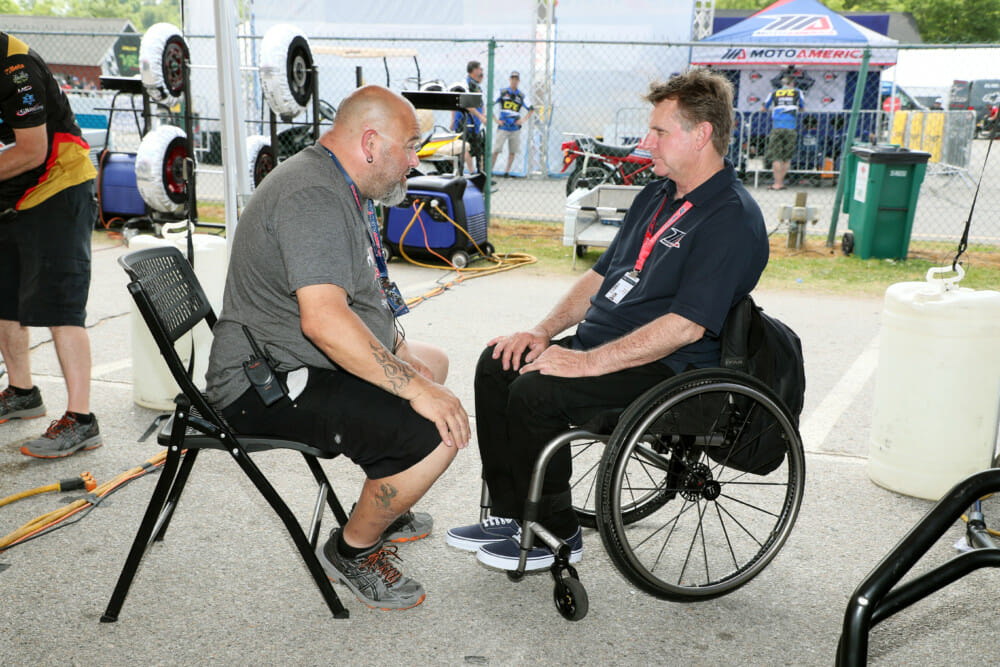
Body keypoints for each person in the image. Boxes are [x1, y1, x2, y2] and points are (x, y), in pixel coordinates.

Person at [446, 69, 769, 571]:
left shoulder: (731, 218)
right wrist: (542, 333)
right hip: (605, 349)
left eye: (660, 132)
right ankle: (514, 516)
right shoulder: (657, 195)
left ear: (701, 135)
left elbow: (685, 327)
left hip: (669, 368)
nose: (647, 143)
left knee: (537, 390)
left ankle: (556, 533)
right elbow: (600, 278)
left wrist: (585, 364)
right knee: (499, 362)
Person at [205, 85, 470, 611]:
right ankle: (353, 549)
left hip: (293, 357)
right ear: (371, 142)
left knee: (433, 362)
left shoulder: (338, 182)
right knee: (439, 432)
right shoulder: (314, 195)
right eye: (410, 146)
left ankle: (384, 500)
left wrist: (405, 360)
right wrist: (415, 389)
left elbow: (363, 299)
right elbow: (324, 321)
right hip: (262, 383)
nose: (413, 163)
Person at [0, 31, 101, 458]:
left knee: (62, 306)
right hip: (13, 193)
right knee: (4, 297)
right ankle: (22, 393)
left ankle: (82, 420)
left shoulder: (15, 67)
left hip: (58, 184)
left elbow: (32, 150)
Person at [761, 74, 805, 191]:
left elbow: (764, 107)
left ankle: (776, 183)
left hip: (777, 126)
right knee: (787, 157)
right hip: (791, 127)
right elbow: (802, 107)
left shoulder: (774, 93)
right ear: (792, 84)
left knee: (776, 157)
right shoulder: (797, 92)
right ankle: (781, 183)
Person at [491, 71, 534, 177]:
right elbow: (490, 104)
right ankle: (490, 171)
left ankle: (507, 172)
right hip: (503, 126)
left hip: (515, 127)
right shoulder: (502, 92)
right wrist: (496, 120)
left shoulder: (521, 95)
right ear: (510, 80)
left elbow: (531, 109)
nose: (514, 81)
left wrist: (523, 120)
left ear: (518, 81)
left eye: (516, 79)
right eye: (512, 79)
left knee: (513, 151)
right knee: (496, 149)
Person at [451, 60, 485, 173]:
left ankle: (480, 173)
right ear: (474, 70)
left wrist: (482, 116)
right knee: (463, 147)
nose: (481, 71)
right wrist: (480, 116)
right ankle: (471, 172)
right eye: (479, 69)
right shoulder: (466, 85)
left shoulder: (477, 85)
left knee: (479, 149)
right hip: (464, 122)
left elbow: (481, 103)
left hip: (475, 124)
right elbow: (465, 103)